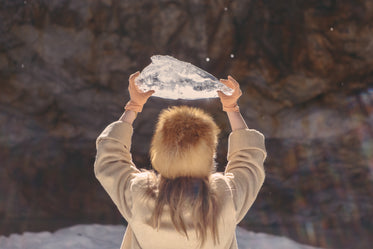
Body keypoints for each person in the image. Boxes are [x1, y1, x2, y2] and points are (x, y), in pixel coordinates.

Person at [94, 71, 267, 249]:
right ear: (208, 154)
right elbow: (248, 160)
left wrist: (133, 107)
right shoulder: (225, 197)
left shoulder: (140, 194)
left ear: (160, 151)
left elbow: (109, 157)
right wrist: (232, 109)